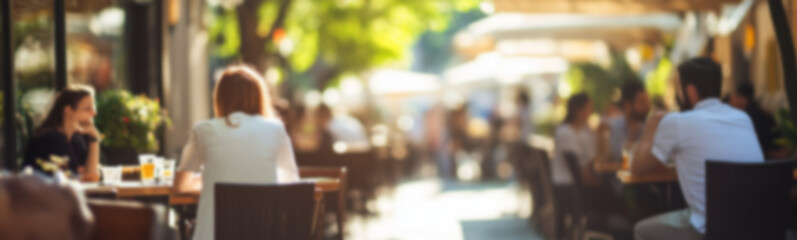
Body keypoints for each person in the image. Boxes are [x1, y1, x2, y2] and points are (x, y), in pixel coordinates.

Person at [631, 57, 763, 240]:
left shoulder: (677, 122)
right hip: (755, 227)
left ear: (691, 91)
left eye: (678, 88)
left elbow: (637, 168)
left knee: (641, 230)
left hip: (709, 230)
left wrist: (650, 125)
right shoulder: (743, 118)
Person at [173, 65, 300, 240]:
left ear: (220, 98)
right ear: (260, 97)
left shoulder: (204, 130)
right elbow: (291, 184)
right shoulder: (276, 130)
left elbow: (180, 186)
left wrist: (210, 179)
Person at [23, 86, 100, 181]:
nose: (94, 113)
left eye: (93, 108)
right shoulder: (51, 140)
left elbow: (91, 176)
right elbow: (76, 178)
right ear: (68, 111)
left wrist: (94, 138)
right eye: (87, 109)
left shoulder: (76, 140)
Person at [728, 82, 782, 158]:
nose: (731, 100)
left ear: (742, 98)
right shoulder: (758, 111)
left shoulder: (749, 117)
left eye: (734, 95)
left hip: (764, 159)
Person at [607, 81, 651, 163]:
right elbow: (618, 159)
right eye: (642, 102)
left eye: (647, 102)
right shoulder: (614, 126)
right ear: (627, 104)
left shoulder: (649, 126)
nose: (647, 106)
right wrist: (632, 137)